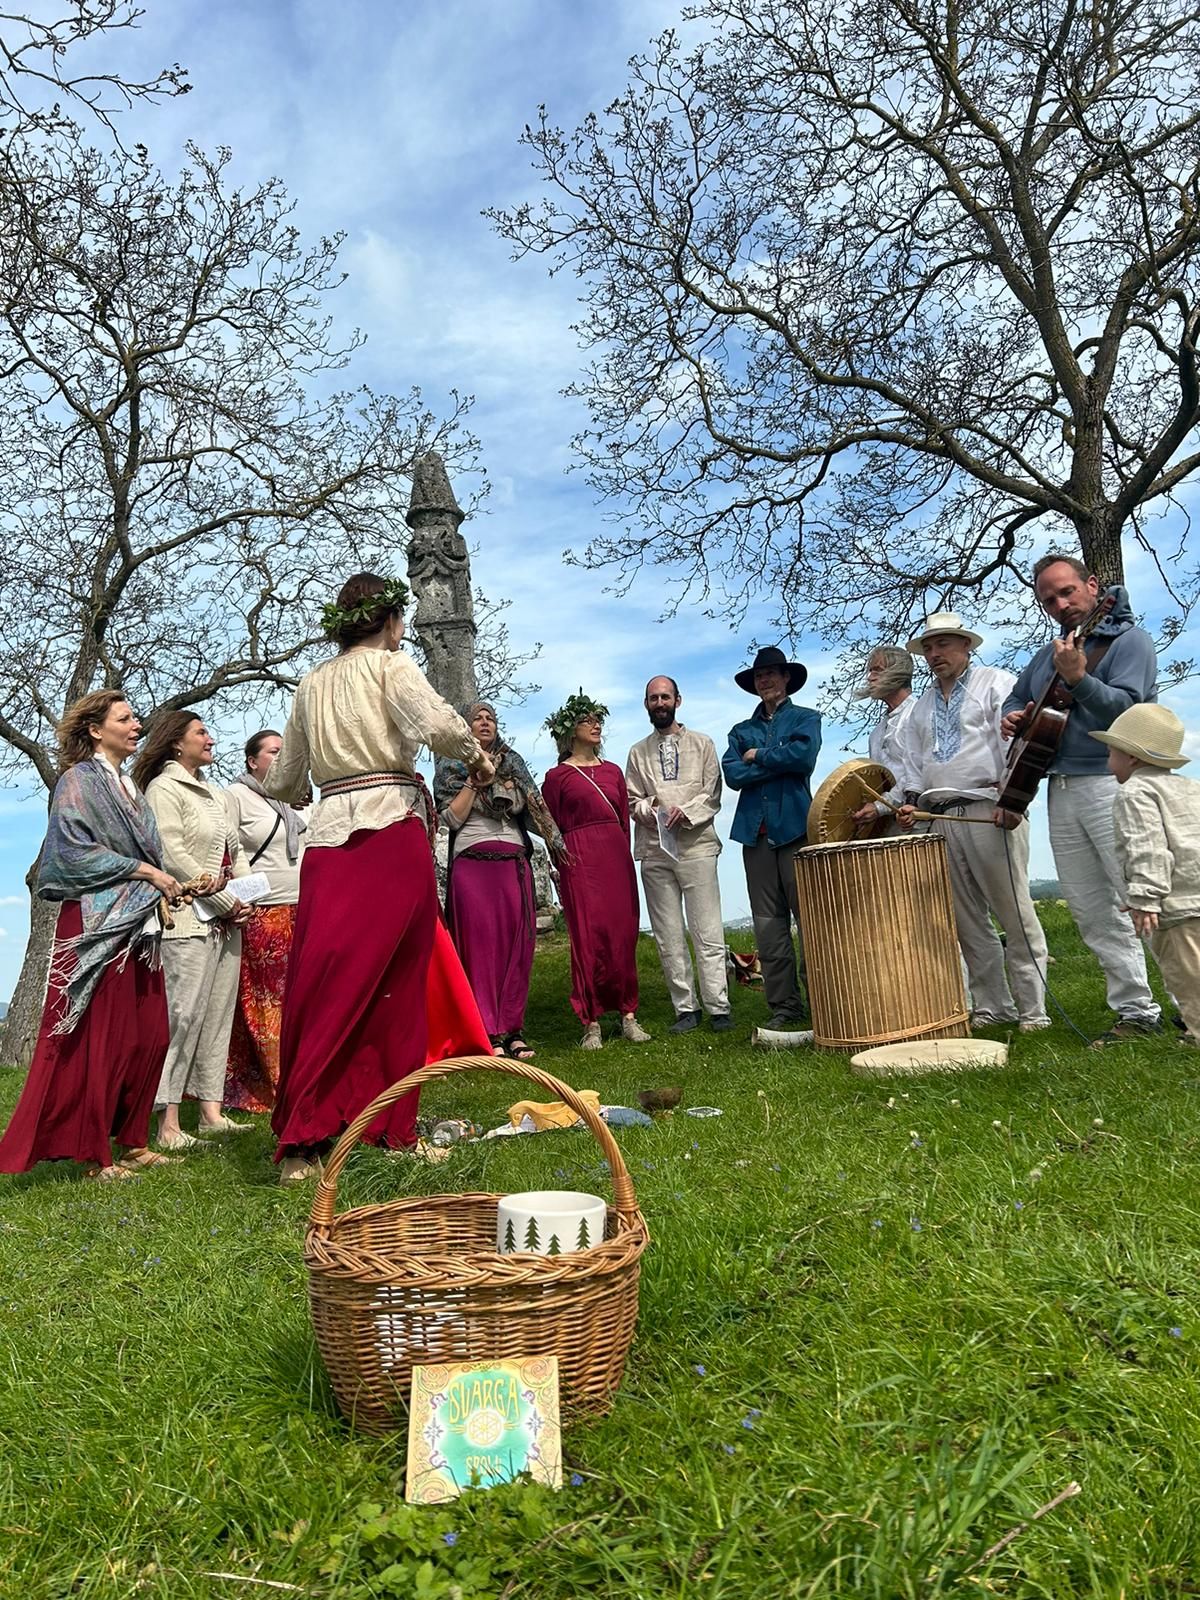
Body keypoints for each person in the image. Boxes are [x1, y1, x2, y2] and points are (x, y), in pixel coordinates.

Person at [264, 572, 496, 1182]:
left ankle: (309, 1139)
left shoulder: (310, 684)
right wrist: (479, 759)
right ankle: (389, 1127)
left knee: (323, 981)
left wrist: (305, 784)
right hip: (390, 831)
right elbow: (440, 726)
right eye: (399, 620)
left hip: (328, 840)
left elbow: (284, 779)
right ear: (391, 620)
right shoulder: (393, 667)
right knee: (398, 982)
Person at [0, 691, 178, 1180]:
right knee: (101, 1036)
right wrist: (145, 871)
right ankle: (95, 1154)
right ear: (96, 730)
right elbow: (69, 853)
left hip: (137, 922)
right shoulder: (77, 781)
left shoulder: (130, 785)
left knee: (150, 1032)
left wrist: (165, 882)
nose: (136, 725)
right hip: (94, 924)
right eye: (125, 718)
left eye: (135, 717)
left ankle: (134, 1140)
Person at [1001, 555, 1161, 1045]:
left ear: (1092, 586)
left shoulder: (1129, 640)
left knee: (1144, 896)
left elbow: (1130, 711)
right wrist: (1013, 716)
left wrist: (1079, 679)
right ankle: (1136, 1010)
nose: (1061, 604)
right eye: (1049, 599)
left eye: (1067, 591)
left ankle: (1190, 1000)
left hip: (1113, 783)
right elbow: (1016, 697)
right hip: (1061, 786)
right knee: (1092, 908)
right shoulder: (1050, 652)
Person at [895, 612, 1050, 1031]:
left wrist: (1013, 799)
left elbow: (1017, 744)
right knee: (967, 922)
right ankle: (992, 1007)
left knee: (1014, 911)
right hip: (939, 815)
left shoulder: (995, 683)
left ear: (966, 645)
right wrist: (911, 801)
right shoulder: (920, 707)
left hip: (989, 808)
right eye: (928, 647)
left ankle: (1033, 1011)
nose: (934, 654)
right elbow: (913, 763)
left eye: (943, 644)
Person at [135, 712, 251, 1150]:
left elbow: (236, 850)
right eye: (201, 732)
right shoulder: (163, 789)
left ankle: (210, 1112)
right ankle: (166, 1124)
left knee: (217, 1017)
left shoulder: (215, 794)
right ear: (176, 743)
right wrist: (225, 902)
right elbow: (172, 855)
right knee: (181, 1019)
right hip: (185, 919)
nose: (210, 739)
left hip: (224, 924)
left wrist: (246, 895)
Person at [434, 700, 566, 1060]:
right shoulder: (451, 764)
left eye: (490, 717)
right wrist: (476, 781)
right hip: (472, 866)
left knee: (515, 949)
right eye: (476, 718)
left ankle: (513, 1030)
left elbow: (534, 806)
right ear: (465, 727)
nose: (484, 722)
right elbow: (451, 819)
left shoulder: (513, 763)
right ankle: (486, 1031)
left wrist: (556, 842)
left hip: (513, 865)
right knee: (479, 950)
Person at [541, 691, 650, 1049]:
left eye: (597, 719)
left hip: (614, 857)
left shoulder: (613, 771)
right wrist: (562, 864)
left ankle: (628, 1014)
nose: (595, 724)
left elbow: (623, 820)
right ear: (569, 730)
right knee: (588, 936)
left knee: (622, 934)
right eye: (586, 720)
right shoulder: (557, 777)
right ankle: (591, 1022)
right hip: (579, 859)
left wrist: (623, 855)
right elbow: (551, 826)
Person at [1089, 705, 1200, 1049]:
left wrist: (1145, 898)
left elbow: (1148, 847)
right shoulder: (1189, 787)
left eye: (1111, 751)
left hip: (1176, 908)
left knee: (1190, 980)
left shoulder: (1135, 793)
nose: (1108, 760)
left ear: (1132, 757)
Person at [625, 675, 731, 1033]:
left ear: (678, 701)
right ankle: (686, 1008)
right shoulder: (637, 752)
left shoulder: (702, 744)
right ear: (646, 704)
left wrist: (685, 812)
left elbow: (712, 793)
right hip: (655, 850)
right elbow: (632, 800)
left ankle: (718, 1007)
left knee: (707, 929)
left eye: (665, 697)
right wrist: (652, 810)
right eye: (653, 698)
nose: (660, 703)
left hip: (697, 845)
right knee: (668, 933)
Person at [722, 646, 821, 1028]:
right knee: (768, 925)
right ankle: (785, 1006)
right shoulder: (739, 732)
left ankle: (823, 1000)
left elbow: (803, 759)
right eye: (759, 676)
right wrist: (778, 758)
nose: (765, 680)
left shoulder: (806, 718)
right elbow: (734, 775)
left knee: (811, 922)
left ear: (786, 678)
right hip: (756, 838)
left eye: (771, 674)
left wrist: (758, 756)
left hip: (796, 832)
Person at [224, 729, 308, 1111]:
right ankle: (275, 1085)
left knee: (300, 1000)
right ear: (252, 761)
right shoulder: (236, 796)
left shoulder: (297, 798)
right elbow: (227, 851)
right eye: (274, 752)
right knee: (268, 1003)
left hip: (303, 906)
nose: (281, 757)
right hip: (263, 910)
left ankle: (303, 1077)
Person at [851, 645, 919, 831]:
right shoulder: (876, 733)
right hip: (889, 824)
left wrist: (880, 806)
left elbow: (918, 771)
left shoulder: (919, 714)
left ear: (898, 673)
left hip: (920, 820)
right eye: (870, 671)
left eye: (877, 670)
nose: (870, 677)